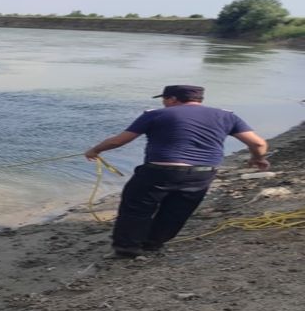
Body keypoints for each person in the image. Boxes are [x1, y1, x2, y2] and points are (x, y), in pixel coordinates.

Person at [85, 84, 269, 257]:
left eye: (164, 99)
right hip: (202, 173)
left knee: (136, 207)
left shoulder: (155, 115)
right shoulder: (227, 116)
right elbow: (258, 143)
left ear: (172, 99)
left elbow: (118, 141)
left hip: (159, 171)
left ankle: (127, 249)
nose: (163, 103)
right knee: (177, 211)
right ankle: (152, 244)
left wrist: (95, 150)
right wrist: (257, 158)